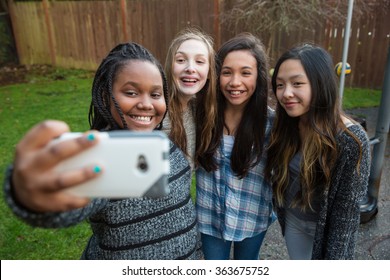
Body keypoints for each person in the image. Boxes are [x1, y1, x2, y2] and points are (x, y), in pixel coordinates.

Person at [3, 42, 200, 260]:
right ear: (106, 97)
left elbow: (184, 209)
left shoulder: (164, 144)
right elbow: (68, 206)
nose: (146, 104)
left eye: (155, 94)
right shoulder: (100, 157)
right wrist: (29, 197)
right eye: (132, 92)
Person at [264, 43, 371, 260]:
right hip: (293, 223)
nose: (286, 93)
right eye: (280, 85)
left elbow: (345, 220)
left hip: (323, 231)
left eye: (297, 83)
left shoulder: (350, 140)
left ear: (320, 84)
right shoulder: (286, 124)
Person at [195, 33, 275, 260]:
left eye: (245, 73)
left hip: (253, 218)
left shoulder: (273, 124)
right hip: (210, 221)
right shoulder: (202, 119)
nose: (235, 82)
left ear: (258, 77)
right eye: (227, 72)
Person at [162, 27, 217, 171]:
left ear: (209, 72)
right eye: (180, 60)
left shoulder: (200, 110)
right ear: (169, 67)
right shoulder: (157, 112)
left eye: (199, 61)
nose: (190, 68)